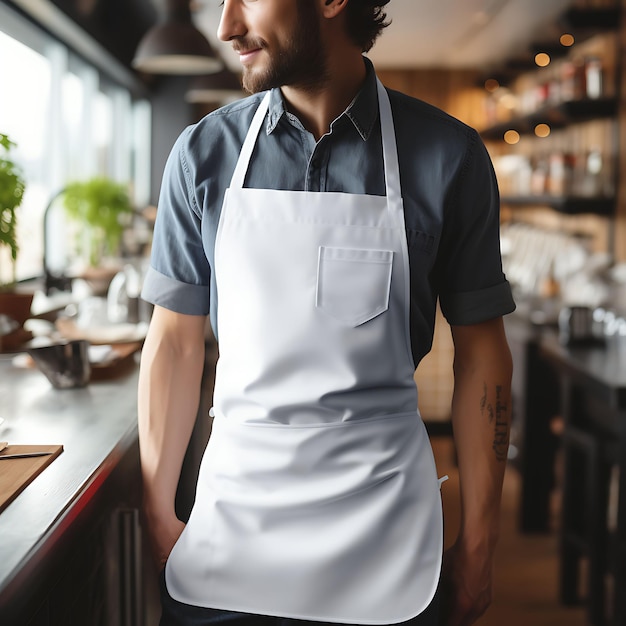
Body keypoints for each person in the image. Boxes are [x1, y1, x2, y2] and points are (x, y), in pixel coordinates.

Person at [138, 0, 516, 625]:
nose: (228, 26)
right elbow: (174, 344)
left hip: (386, 546)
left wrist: (480, 544)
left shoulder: (449, 157)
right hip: (229, 540)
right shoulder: (201, 155)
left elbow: (483, 353)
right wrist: (156, 512)